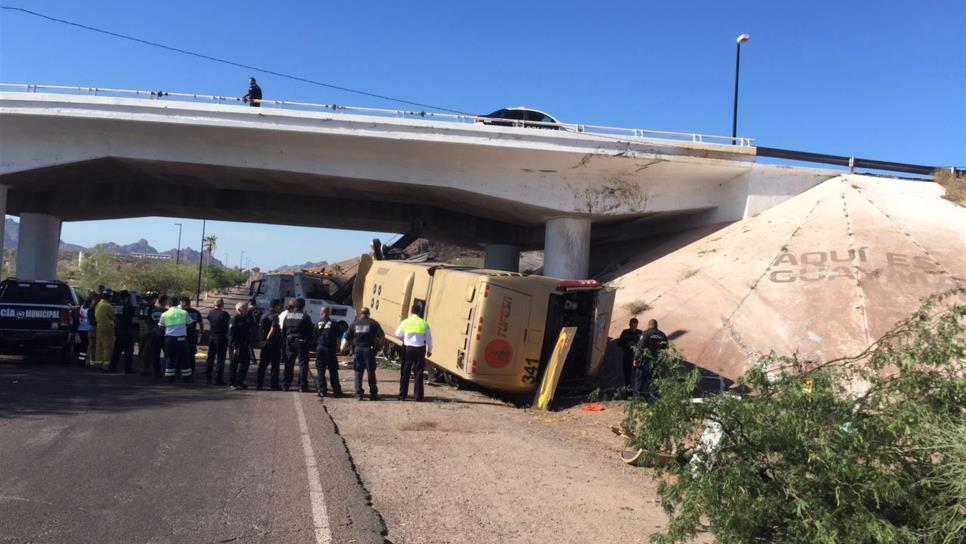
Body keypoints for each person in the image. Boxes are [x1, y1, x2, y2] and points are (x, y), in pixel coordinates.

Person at [394, 303, 433, 402]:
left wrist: (404, 339)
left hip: (408, 349)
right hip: (420, 349)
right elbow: (429, 339)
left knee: (405, 372)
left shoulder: (405, 322)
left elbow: (397, 334)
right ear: (420, 311)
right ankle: (418, 396)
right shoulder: (424, 323)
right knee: (419, 373)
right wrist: (429, 350)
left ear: (411, 311)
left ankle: (402, 395)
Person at [345, 307, 385, 401]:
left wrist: (351, 347)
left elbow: (347, 338)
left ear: (360, 314)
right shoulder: (373, 323)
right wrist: (379, 347)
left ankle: (358, 394)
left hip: (358, 350)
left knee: (358, 372)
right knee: (371, 372)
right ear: (369, 314)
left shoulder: (354, 323)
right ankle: (373, 394)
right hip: (369, 350)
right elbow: (382, 336)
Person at [281, 298, 314, 392]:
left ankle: (286, 384)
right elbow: (310, 331)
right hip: (301, 342)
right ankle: (302, 386)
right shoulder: (305, 316)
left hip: (289, 341)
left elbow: (283, 331)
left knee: (289, 364)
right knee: (303, 365)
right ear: (303, 306)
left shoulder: (288, 316)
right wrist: (309, 341)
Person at [634, 319, 669, 399]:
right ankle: (653, 399)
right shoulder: (662, 335)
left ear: (649, 325)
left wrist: (635, 359)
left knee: (640, 379)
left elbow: (640, 348)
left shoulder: (645, 334)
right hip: (656, 361)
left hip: (644, 361)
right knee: (654, 381)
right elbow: (665, 346)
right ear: (657, 325)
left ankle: (637, 399)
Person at [159, 298, 192, 383]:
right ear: (178, 303)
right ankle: (186, 378)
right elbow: (190, 323)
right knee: (184, 358)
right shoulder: (184, 313)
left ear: (168, 304)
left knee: (170, 358)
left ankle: (170, 378)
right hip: (181, 338)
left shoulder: (164, 314)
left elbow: (161, 326)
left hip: (169, 339)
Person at [314, 307, 343, 398]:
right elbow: (338, 334)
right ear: (329, 313)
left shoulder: (317, 323)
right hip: (330, 349)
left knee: (320, 370)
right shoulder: (334, 323)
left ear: (321, 313)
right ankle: (337, 391)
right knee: (333, 371)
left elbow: (314, 335)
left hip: (320, 348)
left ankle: (322, 390)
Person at [255, 299, 283, 390]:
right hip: (273, 344)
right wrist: (268, 338)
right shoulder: (275, 316)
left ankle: (259, 383)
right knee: (275, 365)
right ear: (276, 306)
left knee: (262, 365)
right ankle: (274, 385)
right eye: (279, 305)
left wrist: (263, 340)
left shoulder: (264, 314)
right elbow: (273, 328)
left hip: (264, 344)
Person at [228, 302, 254, 390]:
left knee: (245, 364)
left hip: (245, 345)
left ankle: (240, 381)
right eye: (245, 308)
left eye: (247, 308)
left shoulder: (246, 318)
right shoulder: (234, 319)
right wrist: (235, 347)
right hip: (236, 346)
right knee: (234, 365)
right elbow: (232, 334)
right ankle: (232, 383)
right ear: (239, 310)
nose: (247, 309)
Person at [110, 290, 137, 374]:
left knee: (117, 350)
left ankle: (112, 366)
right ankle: (127, 368)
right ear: (127, 297)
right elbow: (133, 317)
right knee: (128, 350)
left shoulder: (116, 306)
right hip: (127, 330)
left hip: (118, 329)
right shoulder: (128, 306)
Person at [205, 298, 230, 385]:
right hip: (221, 337)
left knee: (210, 357)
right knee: (220, 358)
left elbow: (209, 318)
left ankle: (208, 377)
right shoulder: (224, 314)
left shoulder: (210, 313)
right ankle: (218, 378)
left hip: (212, 335)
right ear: (222, 305)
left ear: (214, 304)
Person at [137, 292, 160, 376]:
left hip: (141, 329)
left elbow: (138, 317)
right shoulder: (152, 308)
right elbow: (156, 319)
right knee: (148, 350)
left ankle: (141, 367)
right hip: (150, 329)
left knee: (141, 349)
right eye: (154, 299)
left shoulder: (141, 307)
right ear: (151, 299)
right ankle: (146, 369)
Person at [618, 318, 643, 391]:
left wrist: (636, 345)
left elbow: (643, 344)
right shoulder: (625, 332)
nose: (633, 328)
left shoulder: (640, 333)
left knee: (637, 374)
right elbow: (619, 343)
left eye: (635, 326)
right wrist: (627, 344)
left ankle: (636, 390)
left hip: (637, 357)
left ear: (637, 325)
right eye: (632, 326)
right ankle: (628, 389)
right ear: (629, 324)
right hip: (627, 356)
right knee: (627, 374)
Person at [93, 289, 116, 370]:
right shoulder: (108, 306)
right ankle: (106, 364)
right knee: (107, 347)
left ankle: (98, 363)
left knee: (99, 346)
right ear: (109, 297)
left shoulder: (98, 304)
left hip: (99, 327)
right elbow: (114, 316)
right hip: (107, 328)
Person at [181, 297, 204, 375]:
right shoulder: (196, 312)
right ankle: (192, 369)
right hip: (193, 335)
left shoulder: (181, 312)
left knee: (182, 353)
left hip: (182, 335)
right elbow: (201, 323)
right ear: (189, 303)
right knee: (191, 354)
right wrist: (201, 332)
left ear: (183, 303)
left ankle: (182, 369)